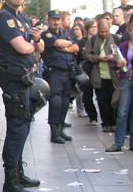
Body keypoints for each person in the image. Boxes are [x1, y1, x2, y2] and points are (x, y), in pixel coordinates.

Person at [0, 0, 43, 192]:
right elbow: (23, 47)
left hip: (24, 79)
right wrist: (32, 44)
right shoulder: (4, 18)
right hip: (13, 80)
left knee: (23, 127)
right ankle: (10, 181)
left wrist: (35, 41)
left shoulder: (20, 17)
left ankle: (18, 173)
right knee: (17, 129)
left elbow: (39, 47)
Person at [41, 10, 79, 143]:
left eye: (58, 19)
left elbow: (76, 47)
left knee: (65, 101)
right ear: (49, 20)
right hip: (55, 71)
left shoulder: (64, 33)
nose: (56, 22)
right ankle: (54, 132)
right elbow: (57, 44)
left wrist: (65, 47)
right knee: (56, 101)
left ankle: (60, 128)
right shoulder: (46, 34)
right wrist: (64, 44)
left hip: (68, 71)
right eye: (53, 19)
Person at [106, 20, 133, 152]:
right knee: (122, 112)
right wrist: (119, 64)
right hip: (126, 79)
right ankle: (118, 142)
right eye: (131, 30)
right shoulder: (124, 46)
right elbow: (114, 64)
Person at [84, 18, 120, 132]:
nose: (104, 34)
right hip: (98, 74)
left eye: (106, 31)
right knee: (101, 100)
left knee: (113, 100)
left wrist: (112, 57)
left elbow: (120, 54)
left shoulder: (115, 39)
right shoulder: (93, 40)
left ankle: (113, 122)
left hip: (113, 75)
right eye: (101, 31)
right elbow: (86, 55)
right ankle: (106, 123)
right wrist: (98, 58)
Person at [70, 23, 89, 118]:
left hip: (87, 66)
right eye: (74, 29)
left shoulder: (86, 41)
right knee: (80, 91)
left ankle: (86, 108)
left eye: (77, 29)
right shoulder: (72, 41)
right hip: (78, 68)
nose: (75, 31)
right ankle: (80, 109)